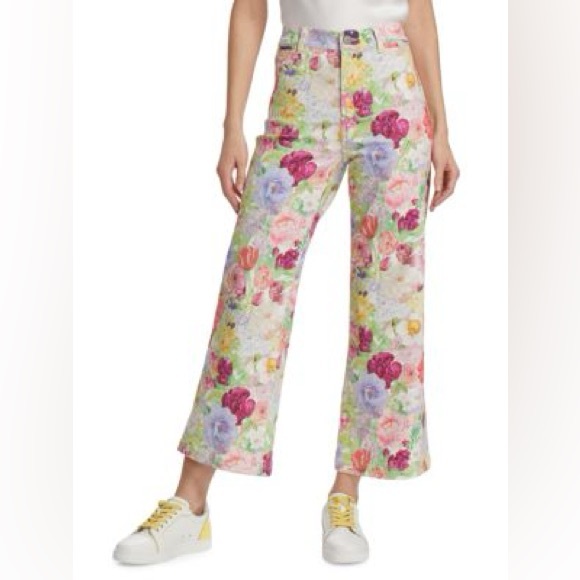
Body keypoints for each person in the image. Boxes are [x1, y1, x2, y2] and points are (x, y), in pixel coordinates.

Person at [113, 0, 460, 566]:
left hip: (394, 87)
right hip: (304, 84)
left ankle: (345, 496)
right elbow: (250, 8)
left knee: (387, 297)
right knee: (251, 288)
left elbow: (416, 9)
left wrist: (442, 128)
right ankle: (190, 504)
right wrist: (232, 124)